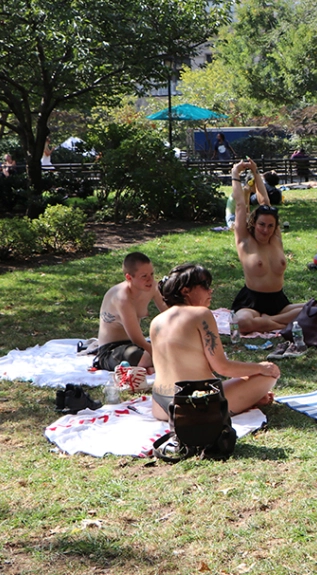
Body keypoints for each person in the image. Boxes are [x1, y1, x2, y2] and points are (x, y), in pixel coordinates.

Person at [149, 263, 279, 421]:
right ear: (185, 291)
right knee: (268, 374)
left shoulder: (156, 321)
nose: (210, 291)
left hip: (160, 406)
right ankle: (247, 398)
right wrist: (260, 367)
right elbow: (222, 367)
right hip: (194, 405)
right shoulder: (201, 314)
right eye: (204, 285)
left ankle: (246, 398)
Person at [230, 159, 305, 333]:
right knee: (241, 323)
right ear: (254, 223)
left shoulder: (275, 238)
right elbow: (240, 205)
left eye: (271, 226)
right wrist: (235, 174)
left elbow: (265, 202)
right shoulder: (245, 240)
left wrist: (256, 172)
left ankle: (269, 322)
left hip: (279, 303)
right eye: (261, 225)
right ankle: (283, 324)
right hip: (251, 303)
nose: (266, 230)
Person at [94, 252, 168, 372]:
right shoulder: (122, 298)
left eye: (152, 274)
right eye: (144, 276)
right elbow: (137, 339)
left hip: (136, 346)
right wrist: (160, 354)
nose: (150, 279)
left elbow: (169, 314)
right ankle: (153, 365)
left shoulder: (152, 287)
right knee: (135, 355)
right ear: (129, 277)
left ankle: (151, 365)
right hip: (112, 350)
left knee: (171, 344)